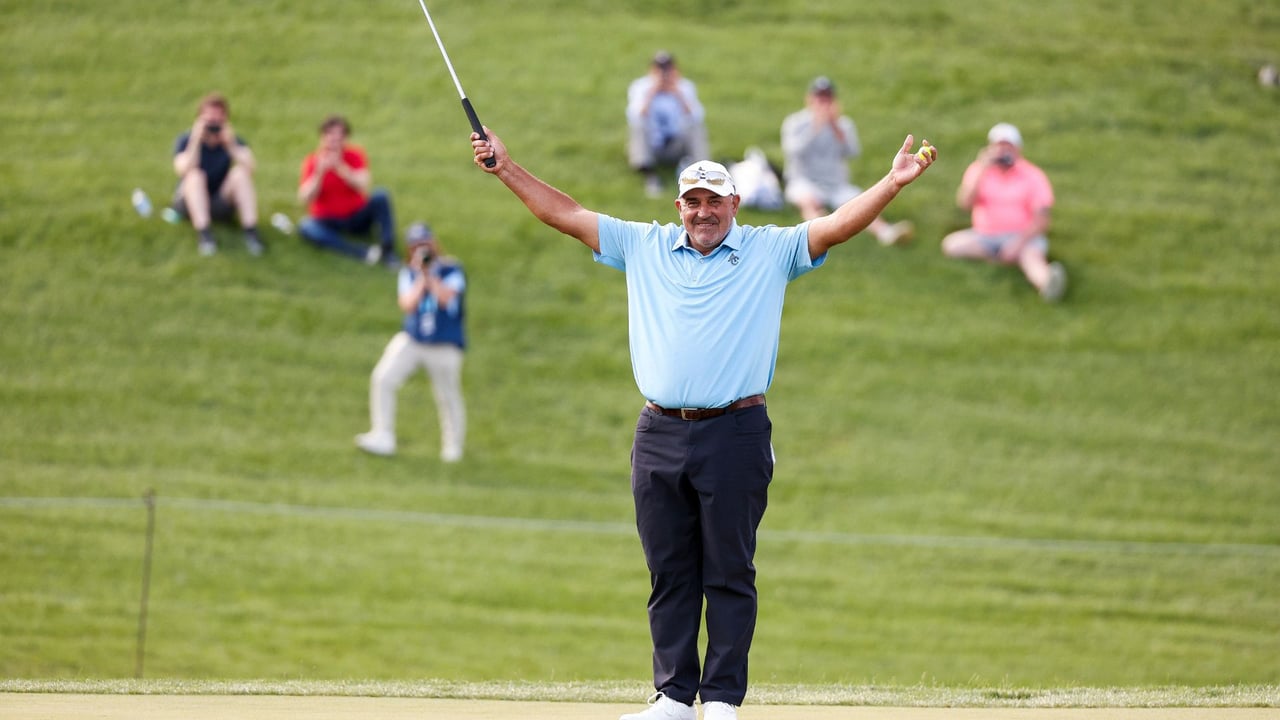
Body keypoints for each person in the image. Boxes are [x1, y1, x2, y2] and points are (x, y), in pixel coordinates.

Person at [470, 122, 935, 720]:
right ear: (679, 205)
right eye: (693, 201)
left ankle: (719, 699)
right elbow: (566, 213)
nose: (703, 212)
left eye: (715, 201)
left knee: (729, 570)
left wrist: (891, 185)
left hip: (736, 432)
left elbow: (835, 226)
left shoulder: (769, 250)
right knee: (669, 569)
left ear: (734, 205)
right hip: (658, 431)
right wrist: (506, 167)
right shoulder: (644, 244)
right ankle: (672, 697)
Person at [355, 222, 467, 461]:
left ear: (434, 243)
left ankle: (453, 449)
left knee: (447, 395)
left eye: (425, 243)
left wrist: (430, 276)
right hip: (414, 339)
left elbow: (447, 299)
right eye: (417, 245)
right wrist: (420, 277)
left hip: (445, 343)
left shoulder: (451, 269)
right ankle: (383, 435)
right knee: (383, 378)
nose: (422, 248)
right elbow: (407, 304)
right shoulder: (409, 273)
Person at [781, 76, 915, 246]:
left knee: (862, 203)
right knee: (808, 201)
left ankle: (885, 232)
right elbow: (794, 151)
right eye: (819, 98)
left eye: (827, 99)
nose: (823, 103)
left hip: (835, 184)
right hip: (804, 180)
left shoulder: (844, 125)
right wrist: (816, 127)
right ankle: (817, 236)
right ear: (809, 99)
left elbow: (852, 152)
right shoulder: (796, 123)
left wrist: (836, 127)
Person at [941, 122, 1067, 301]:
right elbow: (964, 203)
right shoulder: (978, 170)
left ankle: (1047, 282)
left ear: (1018, 149)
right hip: (986, 236)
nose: (1003, 151)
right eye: (998, 146)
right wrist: (982, 168)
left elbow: (1042, 220)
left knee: (1031, 258)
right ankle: (999, 259)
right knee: (952, 245)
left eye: (1008, 146)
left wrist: (1017, 243)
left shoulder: (1033, 175)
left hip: (1023, 236)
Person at [170, 92, 264, 257]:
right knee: (195, 175)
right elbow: (182, 169)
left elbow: (250, 167)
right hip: (189, 202)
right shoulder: (186, 140)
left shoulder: (232, 141)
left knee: (240, 174)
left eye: (218, 121)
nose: (213, 126)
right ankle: (205, 235)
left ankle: (251, 232)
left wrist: (231, 145)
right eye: (209, 121)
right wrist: (196, 140)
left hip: (220, 202)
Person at [297, 114, 398, 266]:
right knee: (307, 226)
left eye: (339, 135)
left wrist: (342, 169)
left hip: (356, 216)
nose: (334, 140)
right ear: (323, 137)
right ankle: (361, 252)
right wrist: (319, 173)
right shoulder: (313, 161)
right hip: (328, 220)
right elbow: (304, 197)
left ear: (345, 138)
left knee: (381, 195)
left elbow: (364, 184)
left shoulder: (354, 155)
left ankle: (388, 251)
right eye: (330, 134)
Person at [627, 51, 712, 198]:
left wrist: (678, 95)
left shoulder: (685, 87)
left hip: (676, 143)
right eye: (660, 70)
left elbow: (696, 117)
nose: (664, 74)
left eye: (667, 70)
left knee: (696, 128)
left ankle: (703, 173)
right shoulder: (640, 87)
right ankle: (649, 174)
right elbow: (635, 116)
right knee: (639, 127)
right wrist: (652, 93)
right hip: (652, 144)